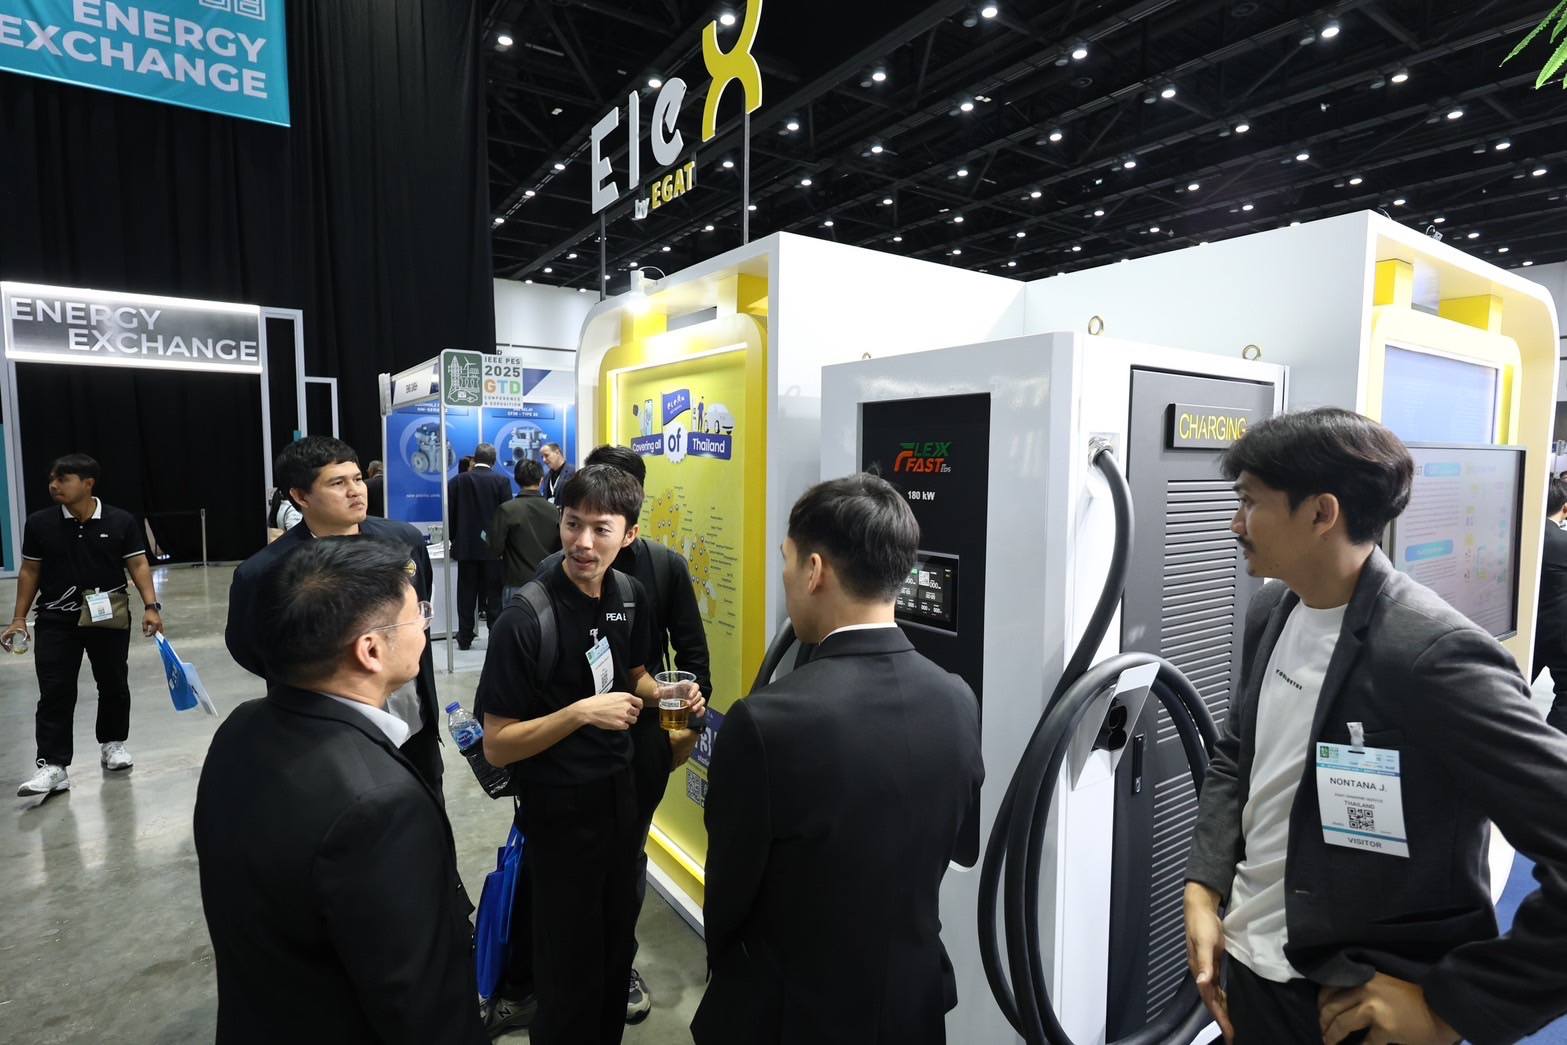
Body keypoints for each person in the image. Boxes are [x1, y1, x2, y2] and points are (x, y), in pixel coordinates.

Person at [1183, 407, 1567, 1045]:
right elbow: (1238, 753)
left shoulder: (1430, 656)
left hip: (1351, 1003)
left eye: (1250, 503)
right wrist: (1205, 883)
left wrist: (1453, 1009)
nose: (1235, 524)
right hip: (1253, 975)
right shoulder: (1273, 609)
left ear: (1321, 513)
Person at [692, 473, 983, 1045]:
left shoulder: (764, 723)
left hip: (793, 1015)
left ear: (814, 570)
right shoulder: (957, 700)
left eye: (786, 559)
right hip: (912, 1006)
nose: (785, 575)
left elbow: (727, 899)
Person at [194, 538, 486, 1044]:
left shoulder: (240, 730)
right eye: (417, 616)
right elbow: (421, 1004)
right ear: (370, 650)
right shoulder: (380, 806)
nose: (423, 627)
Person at [476, 465, 704, 1045]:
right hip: (560, 813)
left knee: (614, 948)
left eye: (601, 529)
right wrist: (581, 712)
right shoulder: (525, 618)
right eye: (572, 523)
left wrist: (670, 694)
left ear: (629, 535)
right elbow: (498, 743)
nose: (582, 542)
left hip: (621, 800)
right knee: (568, 968)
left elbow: (635, 674)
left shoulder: (629, 594)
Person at [226, 437, 445, 795]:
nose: (355, 491)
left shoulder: (403, 541)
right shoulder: (266, 572)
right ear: (300, 496)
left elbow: (417, 603)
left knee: (424, 801)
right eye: (337, 483)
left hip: (411, 714)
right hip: (325, 729)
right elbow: (249, 647)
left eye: (357, 479)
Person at [7, 454, 164, 796]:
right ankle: (53, 765)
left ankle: (113, 743)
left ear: (88, 483)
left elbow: (138, 564)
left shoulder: (120, 521)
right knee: (55, 690)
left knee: (113, 681)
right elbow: (30, 570)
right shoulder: (39, 523)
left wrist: (151, 606)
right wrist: (18, 618)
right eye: (52, 479)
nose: (54, 485)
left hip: (108, 612)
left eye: (63, 479)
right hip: (55, 617)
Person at [448, 442, 513, 649]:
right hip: (493, 549)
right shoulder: (502, 481)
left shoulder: (458, 481)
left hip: (466, 547)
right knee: (494, 595)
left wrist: (455, 538)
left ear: (475, 459)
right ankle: (495, 636)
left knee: (466, 595)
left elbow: (451, 515)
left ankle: (465, 637)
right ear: (493, 461)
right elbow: (506, 515)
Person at [488, 459, 561, 603]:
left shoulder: (507, 510)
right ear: (541, 480)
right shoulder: (554, 510)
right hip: (547, 583)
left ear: (516, 479)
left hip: (516, 583)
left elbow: (494, 548)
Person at [1533, 477, 1567, 733]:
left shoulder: (1522, 535)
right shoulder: (1562, 542)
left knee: (1509, 685)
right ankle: (1551, 746)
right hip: (1559, 631)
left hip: (1523, 629)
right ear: (1564, 507)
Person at [539, 443, 574, 508]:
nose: (544, 460)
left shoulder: (573, 473)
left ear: (557, 453)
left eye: (546, 455)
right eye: (542, 457)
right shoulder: (546, 476)